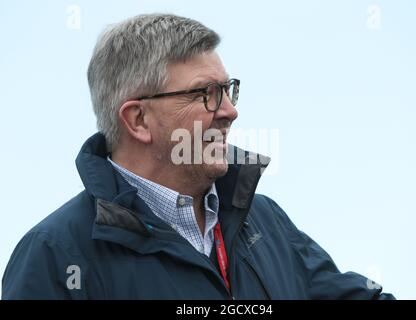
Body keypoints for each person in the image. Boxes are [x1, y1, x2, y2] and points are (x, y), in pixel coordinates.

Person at [2, 13, 394, 300]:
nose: (229, 111)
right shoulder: (56, 254)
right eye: (205, 94)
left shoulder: (265, 224)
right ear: (138, 119)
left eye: (229, 90)